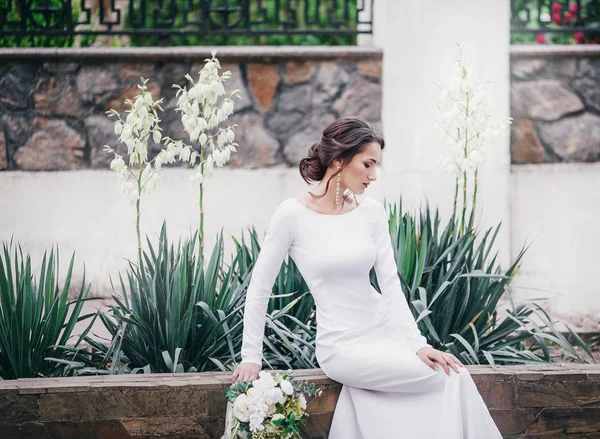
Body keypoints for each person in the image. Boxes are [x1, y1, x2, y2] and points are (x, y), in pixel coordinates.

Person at [231, 116, 502, 438]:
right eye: (368, 164)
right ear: (339, 160)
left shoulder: (370, 211)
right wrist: (252, 357)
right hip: (342, 346)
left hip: (387, 334)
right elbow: (260, 288)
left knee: (450, 372)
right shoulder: (291, 214)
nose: (373, 176)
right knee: (452, 378)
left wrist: (417, 345)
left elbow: (390, 285)